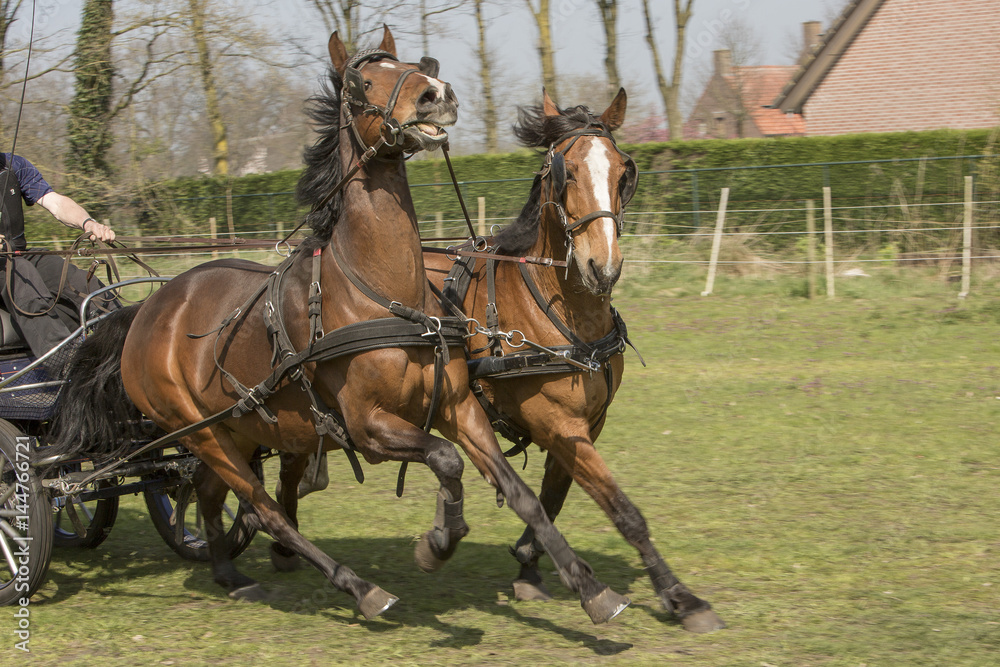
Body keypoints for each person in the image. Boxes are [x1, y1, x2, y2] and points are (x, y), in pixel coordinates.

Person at [0, 152, 118, 359]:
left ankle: (127, 343)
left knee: (76, 279)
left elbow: (56, 203)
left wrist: (88, 223)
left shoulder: (15, 164)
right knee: (21, 273)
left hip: (17, 254)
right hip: (10, 267)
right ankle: (68, 364)